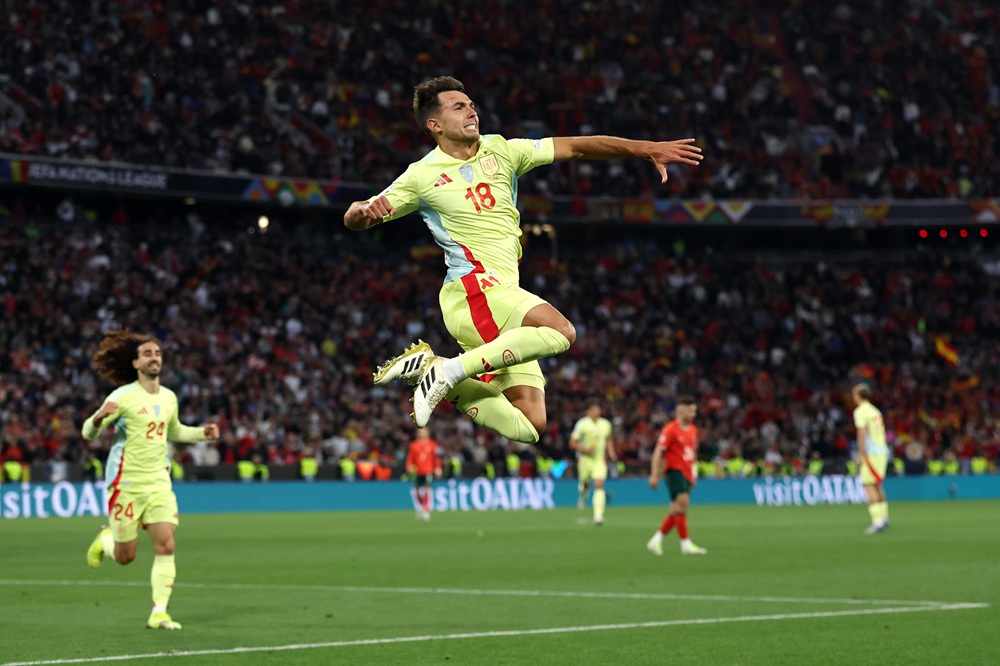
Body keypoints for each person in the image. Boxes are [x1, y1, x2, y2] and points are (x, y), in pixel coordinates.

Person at [345, 75, 702, 442]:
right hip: (474, 291)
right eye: (458, 106)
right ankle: (450, 371)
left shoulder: (502, 150)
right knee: (560, 331)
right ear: (434, 125)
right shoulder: (420, 176)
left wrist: (645, 149)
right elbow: (355, 216)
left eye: (470, 104)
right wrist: (363, 210)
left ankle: (437, 371)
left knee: (531, 425)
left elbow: (578, 147)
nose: (472, 110)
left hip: (503, 293)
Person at [82, 331, 220, 630]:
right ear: (135, 363)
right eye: (147, 354)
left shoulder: (169, 397)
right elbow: (87, 434)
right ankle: (106, 540)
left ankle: (159, 612)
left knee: (166, 545)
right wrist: (96, 419)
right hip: (126, 484)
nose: (154, 357)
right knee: (125, 557)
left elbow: (173, 431)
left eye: (157, 353)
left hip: (158, 482)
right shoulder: (122, 396)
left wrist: (200, 434)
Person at [647, 395, 707, 556]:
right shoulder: (670, 429)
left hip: (687, 472)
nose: (694, 414)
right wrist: (654, 474)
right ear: (681, 411)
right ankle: (685, 544)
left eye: (695, 411)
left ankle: (656, 540)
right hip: (674, 471)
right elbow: (658, 452)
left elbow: (692, 453)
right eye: (691, 411)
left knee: (676, 508)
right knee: (683, 503)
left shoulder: (693, 430)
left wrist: (693, 473)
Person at [568, 402, 617, 525]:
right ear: (588, 411)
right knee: (585, 484)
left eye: (598, 409)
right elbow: (572, 443)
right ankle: (583, 496)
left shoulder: (605, 424)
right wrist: (585, 449)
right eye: (593, 410)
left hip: (599, 459)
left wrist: (611, 452)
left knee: (599, 484)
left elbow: (609, 438)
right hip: (585, 459)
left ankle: (598, 515)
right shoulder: (582, 424)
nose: (596, 412)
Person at [852, 384, 890, 534]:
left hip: (871, 452)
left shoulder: (861, 411)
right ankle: (884, 517)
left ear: (858, 396)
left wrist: (861, 454)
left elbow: (862, 433)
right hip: (882, 450)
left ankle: (877, 521)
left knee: (868, 484)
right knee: (877, 485)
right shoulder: (875, 410)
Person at [406, 427, 442, 520]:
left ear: (427, 433)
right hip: (417, 471)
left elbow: (436, 458)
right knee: (416, 490)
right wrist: (409, 466)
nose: (421, 433)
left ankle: (426, 509)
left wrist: (438, 468)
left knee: (427, 489)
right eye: (420, 432)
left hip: (428, 471)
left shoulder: (432, 444)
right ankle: (421, 507)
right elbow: (410, 457)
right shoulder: (413, 445)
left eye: (423, 432)